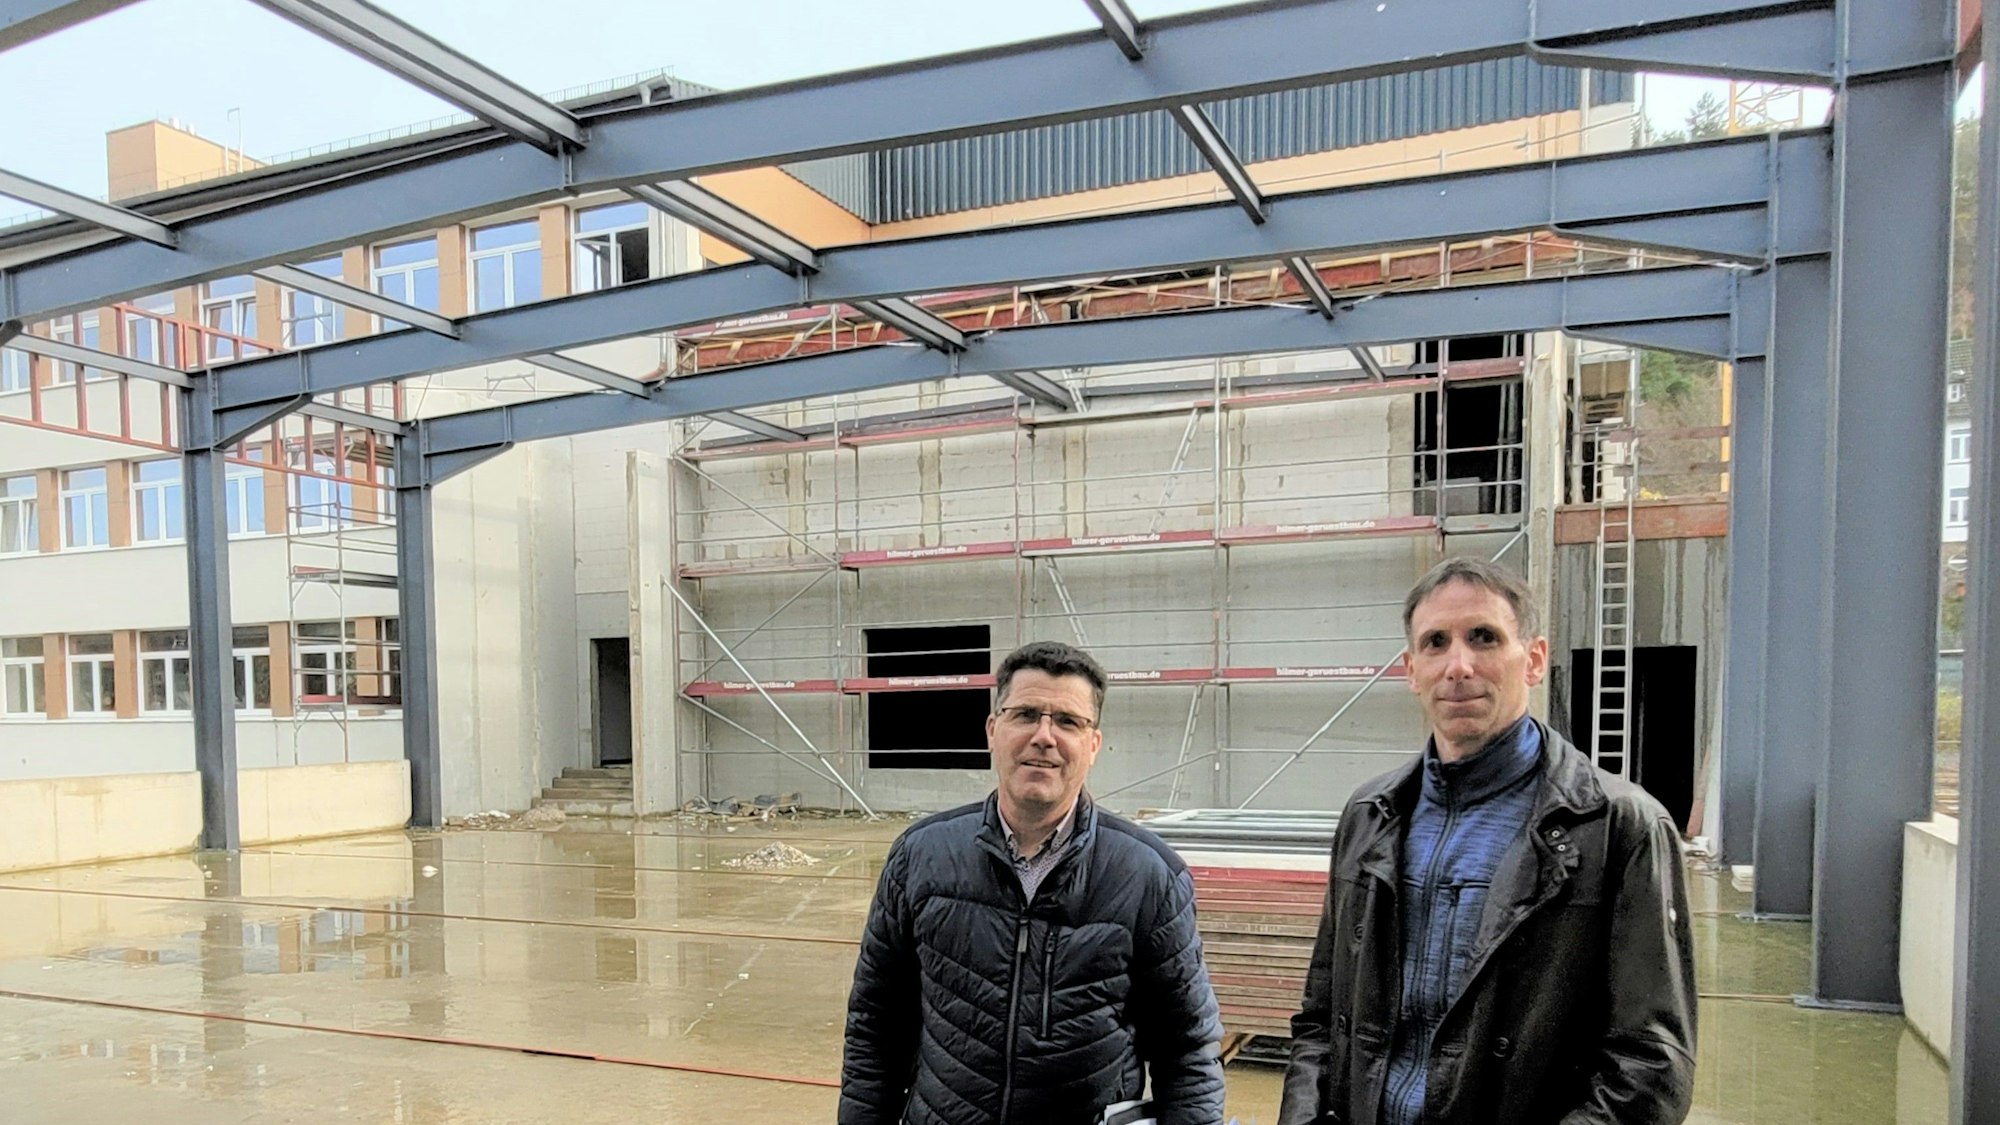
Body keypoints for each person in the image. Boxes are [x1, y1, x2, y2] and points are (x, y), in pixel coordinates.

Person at [1279, 557, 1696, 1125]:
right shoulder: (1369, 816)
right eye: (1435, 643)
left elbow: (1648, 1065)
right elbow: (1321, 1017)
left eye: (1484, 637)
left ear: (1535, 659)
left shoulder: (1618, 827)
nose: (1458, 665)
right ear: (1411, 669)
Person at [840, 640, 1226, 1125]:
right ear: (992, 730)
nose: (1044, 736)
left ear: (1093, 745)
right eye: (1025, 714)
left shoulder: (1148, 875)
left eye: (1067, 721)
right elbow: (876, 1027)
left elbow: (1187, 1051)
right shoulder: (921, 856)